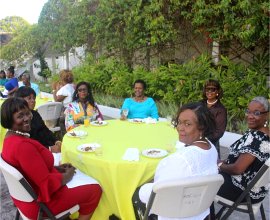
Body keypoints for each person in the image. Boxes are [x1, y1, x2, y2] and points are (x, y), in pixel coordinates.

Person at [1, 97, 102, 220]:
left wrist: (57, 168)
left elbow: (31, 169)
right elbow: (47, 184)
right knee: (95, 189)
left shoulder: (10, 138)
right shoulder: (22, 146)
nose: (27, 118)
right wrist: (68, 175)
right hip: (40, 205)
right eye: (20, 116)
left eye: (28, 113)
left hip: (25, 199)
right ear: (9, 120)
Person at [132, 102, 218, 220]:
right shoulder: (211, 148)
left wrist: (142, 187)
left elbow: (156, 192)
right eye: (179, 122)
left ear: (201, 127)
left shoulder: (179, 159)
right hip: (199, 213)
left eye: (187, 124)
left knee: (135, 193)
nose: (180, 128)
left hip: (174, 215)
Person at [213, 96, 269, 213]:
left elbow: (237, 169)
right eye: (248, 111)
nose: (250, 116)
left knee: (204, 180)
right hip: (258, 192)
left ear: (267, 115)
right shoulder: (265, 133)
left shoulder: (257, 138)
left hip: (243, 192)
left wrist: (220, 165)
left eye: (257, 113)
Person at [14, 87, 61, 153]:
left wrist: (56, 140)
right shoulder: (20, 121)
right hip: (37, 151)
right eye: (29, 98)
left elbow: (45, 129)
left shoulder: (34, 113)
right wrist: (49, 149)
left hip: (47, 145)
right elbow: (28, 144)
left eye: (34, 98)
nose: (33, 100)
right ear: (20, 100)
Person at [201, 79, 227, 156]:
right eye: (207, 89)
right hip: (196, 140)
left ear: (217, 92)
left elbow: (219, 132)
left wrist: (204, 139)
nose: (209, 92)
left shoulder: (220, 109)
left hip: (211, 143)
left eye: (212, 89)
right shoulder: (200, 104)